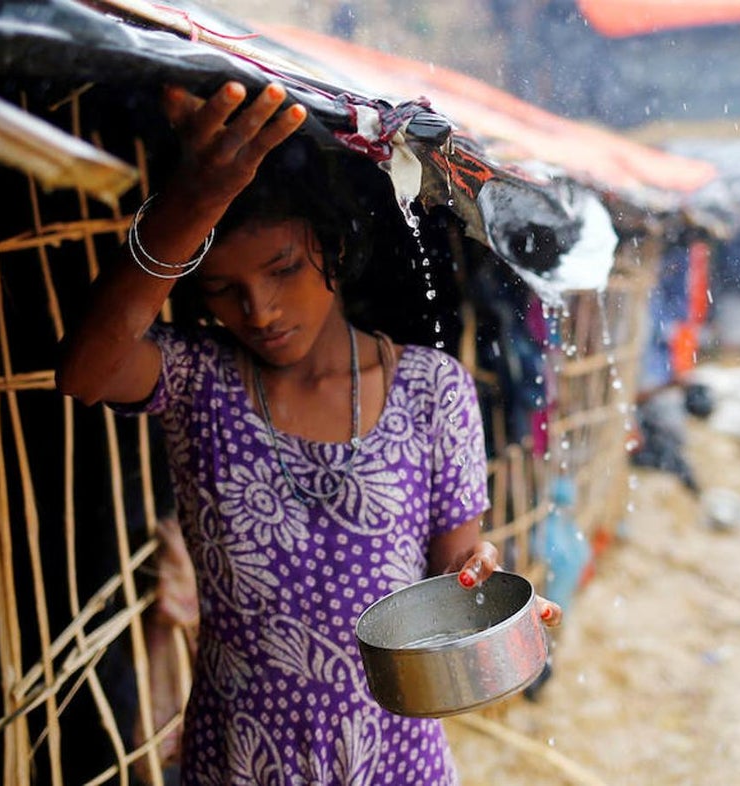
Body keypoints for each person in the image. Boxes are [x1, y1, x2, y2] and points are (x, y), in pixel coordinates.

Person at [56, 80, 562, 785]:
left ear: (335, 245)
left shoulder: (430, 390)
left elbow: (455, 566)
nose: (258, 309)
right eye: (222, 289)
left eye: (283, 268)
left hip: (394, 758)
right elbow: (84, 373)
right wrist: (191, 205)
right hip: (239, 758)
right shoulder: (196, 379)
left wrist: (485, 590)